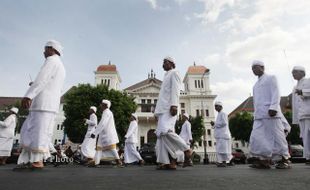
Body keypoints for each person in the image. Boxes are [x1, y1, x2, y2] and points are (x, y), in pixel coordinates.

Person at [15, 40, 66, 170]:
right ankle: (28, 160)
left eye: (45, 49)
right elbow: (49, 84)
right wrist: (34, 86)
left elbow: (42, 79)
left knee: (37, 133)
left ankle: (37, 161)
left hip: (43, 104)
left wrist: (28, 95)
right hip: (47, 104)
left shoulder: (52, 61)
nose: (44, 52)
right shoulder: (60, 65)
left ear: (52, 49)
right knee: (29, 131)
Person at [249, 60, 290, 169]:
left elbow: (276, 93)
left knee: (277, 137)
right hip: (259, 115)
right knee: (257, 137)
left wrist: (273, 107)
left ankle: (284, 159)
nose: (253, 70)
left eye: (255, 67)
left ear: (262, 67)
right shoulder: (255, 85)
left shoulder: (271, 78)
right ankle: (264, 160)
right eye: (252, 68)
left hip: (271, 113)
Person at [154, 57, 192, 170]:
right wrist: (157, 113)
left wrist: (174, 105)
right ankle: (167, 161)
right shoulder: (166, 75)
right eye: (163, 62)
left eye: (165, 62)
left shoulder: (175, 73)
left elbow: (175, 90)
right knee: (161, 135)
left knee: (165, 131)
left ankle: (186, 150)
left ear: (172, 63)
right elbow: (162, 96)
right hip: (162, 110)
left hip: (169, 108)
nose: (163, 64)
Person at [90, 100, 123, 167]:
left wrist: (95, 133)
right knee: (99, 148)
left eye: (101, 104)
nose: (100, 105)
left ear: (105, 105)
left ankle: (119, 162)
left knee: (112, 148)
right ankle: (96, 162)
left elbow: (102, 123)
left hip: (107, 134)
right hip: (103, 134)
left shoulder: (107, 112)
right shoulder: (106, 112)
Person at [291, 66, 310, 165]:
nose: (293, 74)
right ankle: (308, 157)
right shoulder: (295, 87)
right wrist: (295, 120)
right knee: (305, 137)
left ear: (302, 72)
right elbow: (295, 105)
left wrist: (303, 92)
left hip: (309, 113)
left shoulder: (308, 81)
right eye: (292, 73)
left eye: (295, 72)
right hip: (302, 116)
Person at [210, 101, 233, 167]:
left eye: (216, 106)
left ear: (220, 107)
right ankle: (222, 161)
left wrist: (215, 124)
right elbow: (218, 125)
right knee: (220, 149)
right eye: (215, 106)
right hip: (220, 135)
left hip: (223, 135)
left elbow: (224, 123)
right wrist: (214, 124)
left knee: (224, 149)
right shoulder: (219, 114)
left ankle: (224, 162)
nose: (215, 108)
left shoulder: (223, 114)